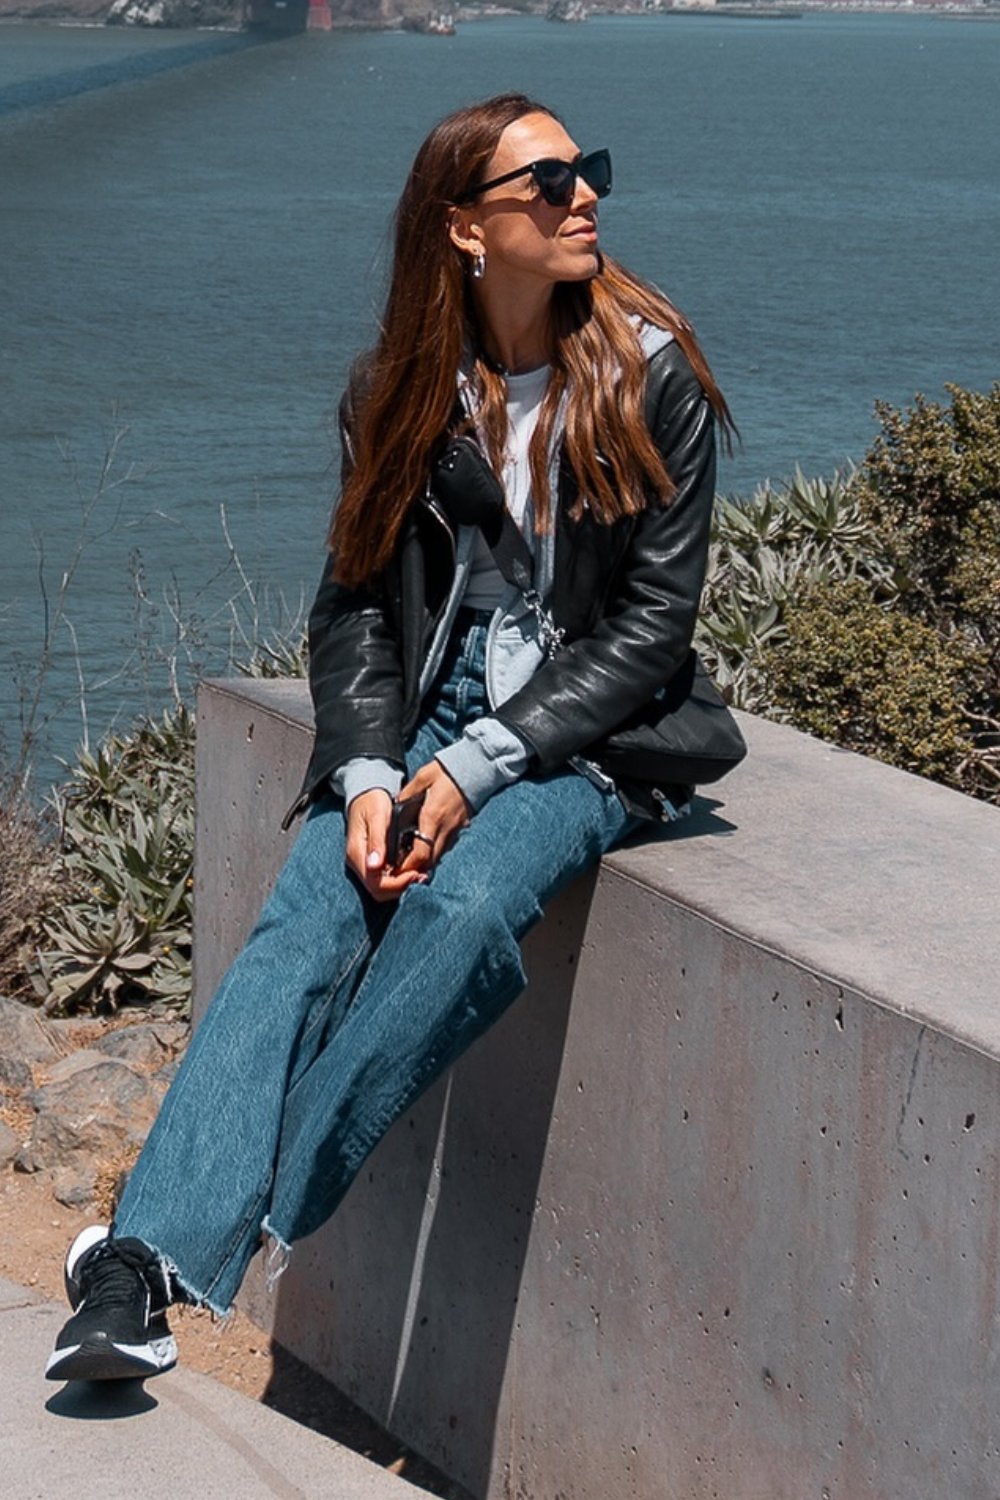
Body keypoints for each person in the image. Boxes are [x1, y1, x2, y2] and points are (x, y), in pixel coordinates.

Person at [45, 92, 732, 1383]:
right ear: (468, 231)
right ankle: (134, 1275)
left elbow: (648, 637)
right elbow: (355, 607)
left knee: (463, 912)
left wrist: (472, 770)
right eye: (549, 183)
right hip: (422, 717)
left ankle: (238, 1207)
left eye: (588, 171)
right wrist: (366, 772)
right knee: (311, 913)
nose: (584, 194)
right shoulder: (405, 395)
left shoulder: (652, 381)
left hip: (579, 735)